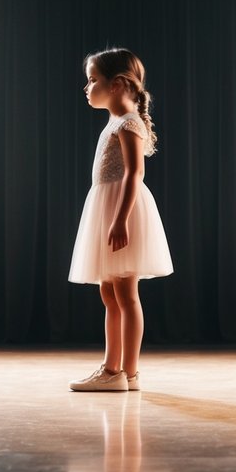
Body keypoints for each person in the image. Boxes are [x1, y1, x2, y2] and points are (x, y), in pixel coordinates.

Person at [69, 48, 173, 392]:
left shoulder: (129, 121)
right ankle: (111, 367)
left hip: (121, 210)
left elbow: (134, 173)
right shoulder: (116, 121)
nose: (87, 87)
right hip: (107, 206)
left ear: (116, 85)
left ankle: (126, 371)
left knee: (126, 294)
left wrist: (120, 219)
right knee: (109, 293)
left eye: (93, 79)